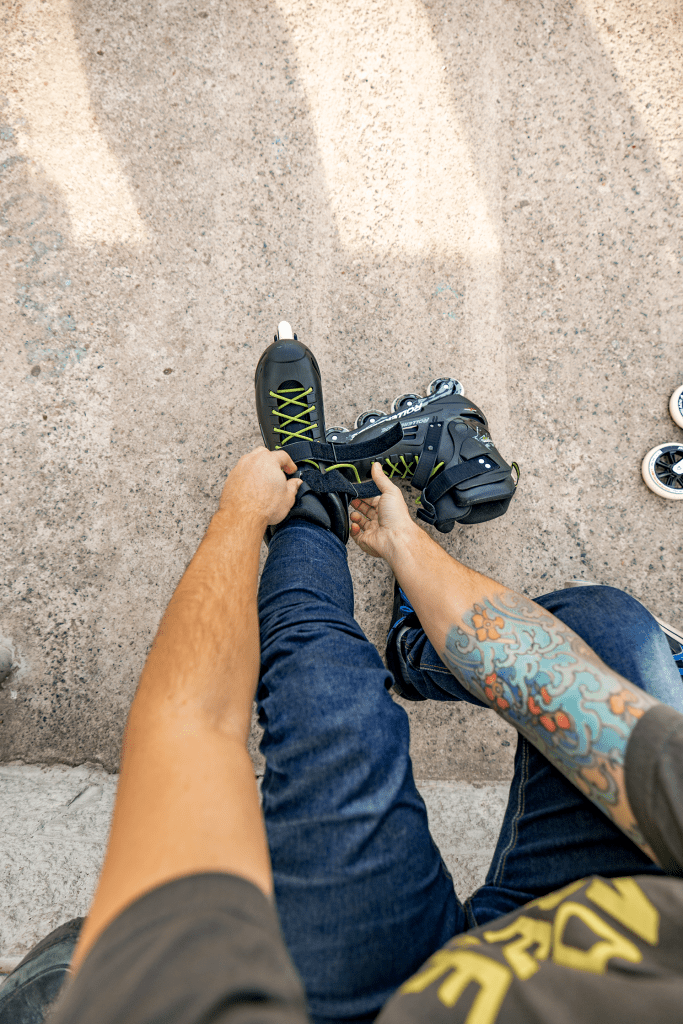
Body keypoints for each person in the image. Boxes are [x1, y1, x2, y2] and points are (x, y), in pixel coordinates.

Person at [2, 336, 683, 1024]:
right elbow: (560, 683)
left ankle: (306, 511)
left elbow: (193, 732)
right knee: (607, 629)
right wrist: (406, 547)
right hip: (584, 932)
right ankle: (411, 647)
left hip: (368, 1008)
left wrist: (240, 516)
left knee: (333, 707)